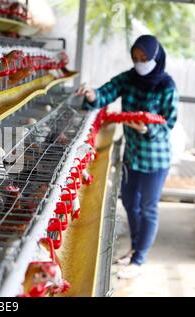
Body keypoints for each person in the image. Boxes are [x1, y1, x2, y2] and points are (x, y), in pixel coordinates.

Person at [76, 35, 178, 279]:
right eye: (136, 58)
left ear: (156, 57)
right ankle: (135, 249)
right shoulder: (128, 78)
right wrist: (92, 94)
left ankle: (139, 260)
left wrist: (148, 129)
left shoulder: (166, 85)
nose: (140, 62)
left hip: (155, 158)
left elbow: (169, 122)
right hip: (132, 156)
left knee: (148, 208)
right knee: (130, 203)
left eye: (145, 58)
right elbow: (105, 92)